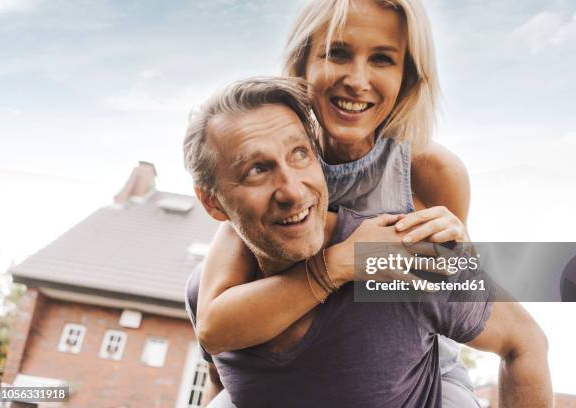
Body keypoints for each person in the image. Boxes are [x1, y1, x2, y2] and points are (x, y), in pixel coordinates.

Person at [183, 77, 552, 407]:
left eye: (300, 154)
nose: (292, 192)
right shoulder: (209, 291)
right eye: (257, 170)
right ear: (212, 202)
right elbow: (222, 381)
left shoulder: (398, 254)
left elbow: (525, 341)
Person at [194, 0, 478, 406]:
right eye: (338, 53)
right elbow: (215, 326)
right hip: (291, 365)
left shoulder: (433, 173)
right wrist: (342, 262)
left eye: (382, 59)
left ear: (407, 76)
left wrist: (455, 258)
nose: (357, 80)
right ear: (303, 63)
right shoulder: (275, 177)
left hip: (418, 372)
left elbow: (456, 296)